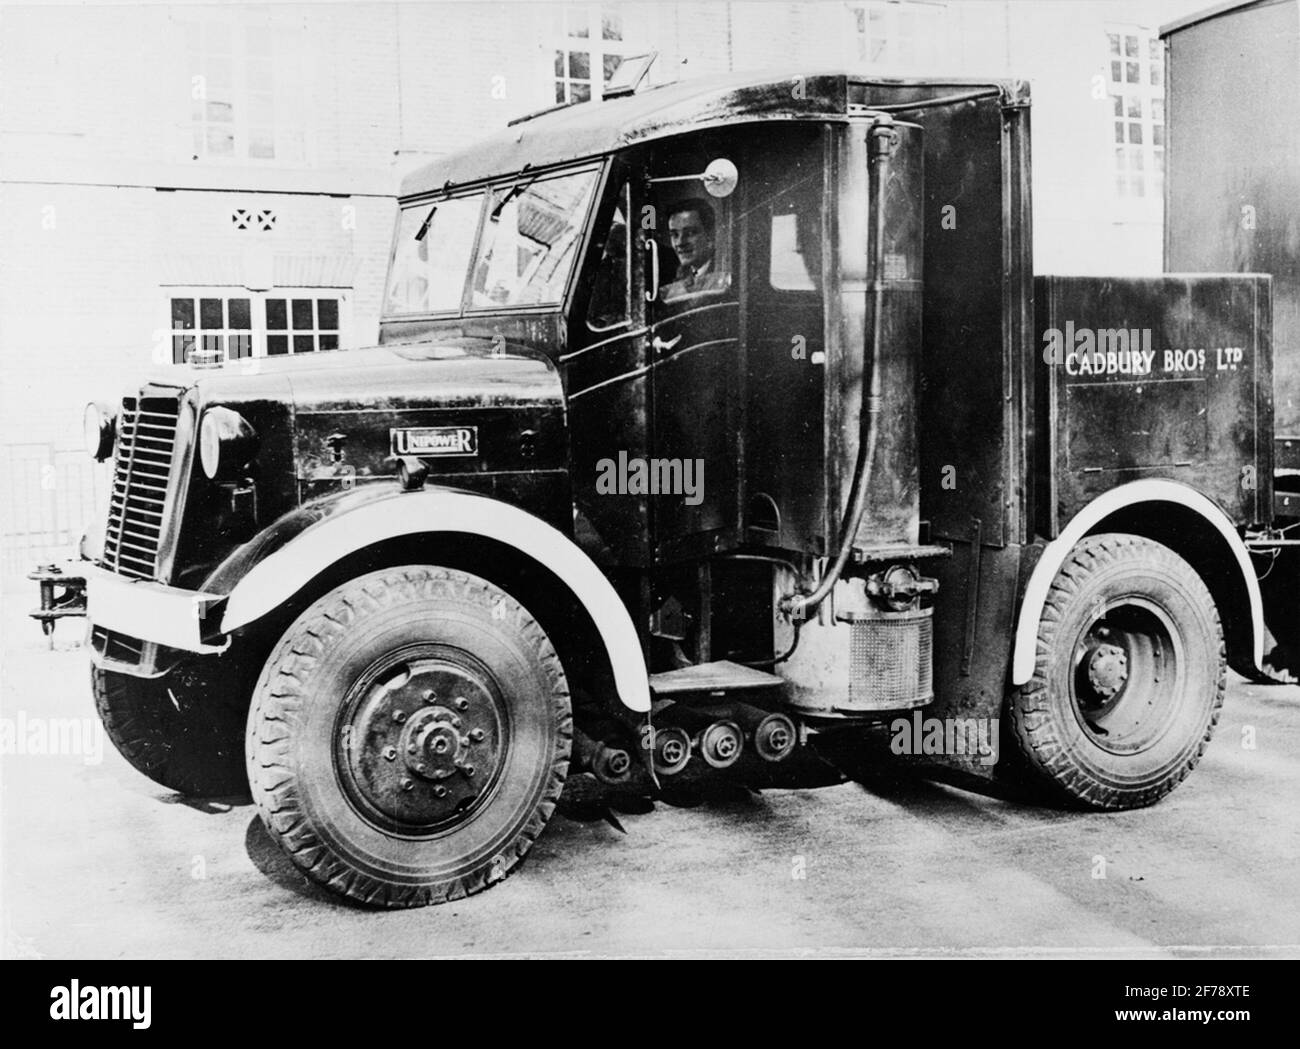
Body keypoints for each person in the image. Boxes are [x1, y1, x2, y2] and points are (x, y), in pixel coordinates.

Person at [661, 198, 727, 302]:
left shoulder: (723, 270)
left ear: (710, 234)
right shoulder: (680, 276)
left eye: (690, 233)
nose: (680, 243)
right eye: (674, 235)